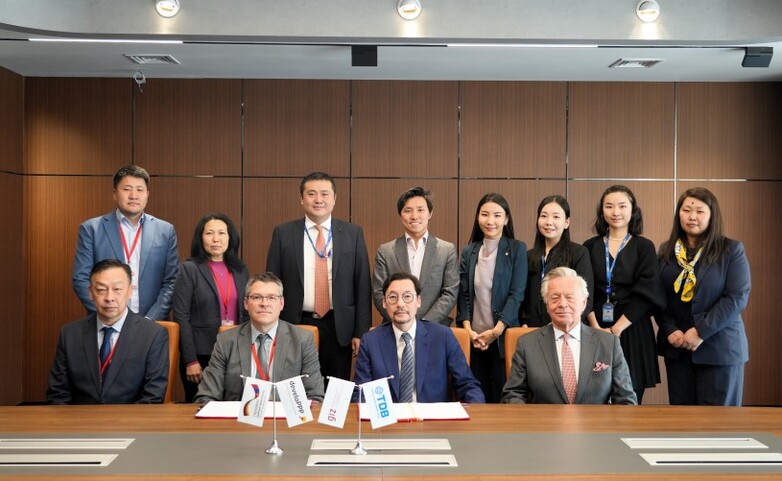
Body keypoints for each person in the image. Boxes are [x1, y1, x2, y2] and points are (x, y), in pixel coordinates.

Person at [266, 172, 371, 382]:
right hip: (296, 323)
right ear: (301, 199)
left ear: (334, 199)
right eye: (312, 194)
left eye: (324, 194)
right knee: (296, 388)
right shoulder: (283, 233)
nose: (318, 200)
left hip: (339, 326)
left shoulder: (353, 233)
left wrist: (361, 332)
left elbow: (362, 285)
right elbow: (271, 283)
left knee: (335, 391)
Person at [657, 187, 750, 406]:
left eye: (699, 211)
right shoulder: (666, 251)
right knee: (683, 427)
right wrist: (670, 329)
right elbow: (658, 297)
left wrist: (700, 331)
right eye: (686, 210)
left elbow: (736, 297)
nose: (692, 216)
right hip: (678, 350)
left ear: (712, 215)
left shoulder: (731, 250)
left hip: (720, 349)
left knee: (719, 427)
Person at [502, 267, 636, 405]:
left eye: (569, 297)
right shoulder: (527, 344)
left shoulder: (609, 343)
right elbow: (513, 394)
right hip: (544, 424)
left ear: (584, 303)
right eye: (555, 298)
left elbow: (626, 399)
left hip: (596, 425)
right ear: (547, 305)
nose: (563, 304)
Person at [583, 185, 664, 404]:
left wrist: (617, 328)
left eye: (622, 206)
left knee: (631, 395)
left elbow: (647, 292)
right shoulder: (589, 246)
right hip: (596, 327)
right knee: (594, 390)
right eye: (609, 206)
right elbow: (584, 289)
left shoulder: (644, 246)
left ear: (633, 210)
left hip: (632, 328)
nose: (615, 212)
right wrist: (596, 327)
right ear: (602, 212)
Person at [48, 259, 169, 404]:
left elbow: (153, 397)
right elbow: (58, 393)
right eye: (101, 290)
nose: (109, 298)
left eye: (117, 289)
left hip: (130, 423)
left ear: (130, 291)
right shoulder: (70, 334)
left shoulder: (153, 335)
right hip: (79, 422)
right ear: (90, 293)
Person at [353, 272, 484, 403]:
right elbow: (360, 392)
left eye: (407, 296)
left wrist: (475, 414)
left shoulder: (442, 337)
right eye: (393, 297)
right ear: (384, 303)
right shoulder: (370, 341)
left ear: (418, 301)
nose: (400, 304)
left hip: (433, 419)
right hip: (388, 419)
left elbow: (467, 384)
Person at [195, 272, 324, 404]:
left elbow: (315, 397)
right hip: (239, 420)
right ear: (246, 303)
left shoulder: (303, 340)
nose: (264, 303)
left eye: (271, 297)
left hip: (285, 421)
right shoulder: (226, 341)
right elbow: (206, 397)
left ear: (281, 303)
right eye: (257, 297)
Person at [72, 165, 179, 321]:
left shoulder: (165, 231)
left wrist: (150, 320)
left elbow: (172, 281)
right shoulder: (92, 229)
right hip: (106, 321)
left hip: (152, 325)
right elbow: (81, 279)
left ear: (147, 194)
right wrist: (107, 312)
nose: (133, 195)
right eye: (127, 189)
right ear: (115, 194)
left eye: (140, 190)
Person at [172, 213, 250, 402]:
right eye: (209, 233)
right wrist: (190, 360)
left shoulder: (240, 270)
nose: (216, 239)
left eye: (222, 233)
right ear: (201, 238)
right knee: (201, 407)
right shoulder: (189, 269)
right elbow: (181, 316)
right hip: (201, 354)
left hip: (235, 352)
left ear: (230, 238)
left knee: (233, 406)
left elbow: (247, 313)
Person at [457, 193, 527, 403]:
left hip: (501, 338)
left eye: (497, 215)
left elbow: (517, 294)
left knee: (500, 394)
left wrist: (496, 331)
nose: (490, 221)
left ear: (506, 219)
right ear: (478, 218)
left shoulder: (516, 249)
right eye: (485, 214)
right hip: (474, 338)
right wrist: (468, 330)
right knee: (474, 396)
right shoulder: (470, 251)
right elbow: (464, 295)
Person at [373, 187, 459, 326]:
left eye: (420, 210)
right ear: (400, 214)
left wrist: (423, 324)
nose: (414, 216)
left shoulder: (446, 250)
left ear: (430, 213)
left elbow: (450, 292)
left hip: (435, 328)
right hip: (395, 327)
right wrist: (402, 321)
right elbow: (378, 293)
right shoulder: (386, 251)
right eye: (408, 210)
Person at [521, 195, 593, 327]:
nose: (549, 222)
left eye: (556, 217)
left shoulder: (579, 253)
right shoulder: (527, 256)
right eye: (543, 216)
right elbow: (521, 295)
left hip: (565, 328)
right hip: (531, 329)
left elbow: (585, 297)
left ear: (567, 222)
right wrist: (524, 321)